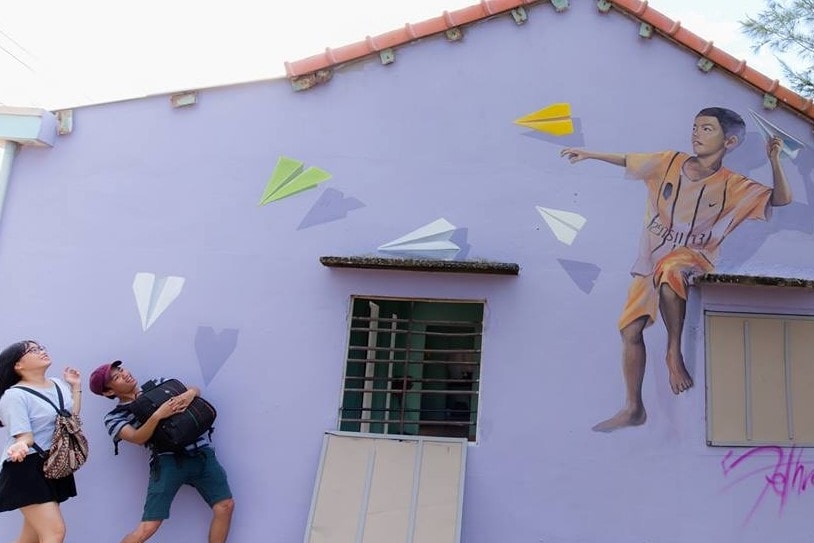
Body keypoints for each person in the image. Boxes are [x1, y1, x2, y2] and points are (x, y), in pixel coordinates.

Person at [560, 107, 793, 433]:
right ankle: (634, 408)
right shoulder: (668, 161)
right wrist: (589, 153)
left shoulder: (734, 185)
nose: (696, 133)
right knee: (630, 331)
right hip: (650, 260)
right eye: (695, 127)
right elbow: (629, 159)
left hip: (694, 258)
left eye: (707, 129)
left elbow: (781, 200)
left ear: (730, 141)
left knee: (672, 269)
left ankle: (673, 354)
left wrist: (775, 160)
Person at [89, 361, 234, 543]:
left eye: (121, 369)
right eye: (116, 377)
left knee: (225, 506)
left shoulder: (158, 383)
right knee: (148, 526)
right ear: (109, 392)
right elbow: (136, 437)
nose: (124, 374)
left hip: (200, 451)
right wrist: (158, 415)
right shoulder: (114, 416)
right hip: (168, 463)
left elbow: (194, 389)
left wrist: (189, 394)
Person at [0, 340, 82, 543]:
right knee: (54, 532)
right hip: (25, 466)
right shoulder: (14, 396)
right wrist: (19, 446)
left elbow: (70, 419)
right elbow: (24, 436)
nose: (42, 351)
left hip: (53, 463)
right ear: (18, 365)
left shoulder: (58, 384)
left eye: (41, 347)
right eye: (33, 350)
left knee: (31, 537)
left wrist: (76, 386)